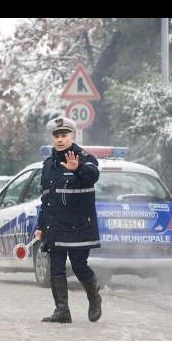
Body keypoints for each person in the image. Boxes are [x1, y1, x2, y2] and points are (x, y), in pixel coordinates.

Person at [33, 117, 103, 323]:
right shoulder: (48, 165)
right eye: (56, 136)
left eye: (64, 135)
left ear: (72, 136)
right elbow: (47, 198)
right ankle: (62, 310)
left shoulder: (85, 158)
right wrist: (40, 226)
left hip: (80, 225)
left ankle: (94, 296)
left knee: (79, 266)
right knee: (56, 266)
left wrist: (77, 168)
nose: (60, 140)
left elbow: (93, 175)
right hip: (56, 225)